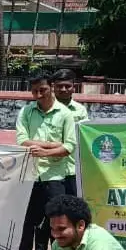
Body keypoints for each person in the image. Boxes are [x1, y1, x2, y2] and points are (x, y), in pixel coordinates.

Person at [5, 72, 76, 250]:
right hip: (31, 174)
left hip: (55, 176)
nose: (38, 95)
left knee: (58, 222)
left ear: (51, 87)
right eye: (34, 91)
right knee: (27, 220)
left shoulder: (65, 114)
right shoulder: (27, 112)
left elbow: (69, 146)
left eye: (42, 90)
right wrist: (52, 144)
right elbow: (22, 140)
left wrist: (46, 152)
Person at [50, 69, 87, 198]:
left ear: (74, 88)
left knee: (73, 208)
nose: (64, 89)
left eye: (67, 86)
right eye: (60, 86)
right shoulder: (45, 108)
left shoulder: (80, 110)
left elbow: (85, 138)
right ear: (53, 87)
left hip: (73, 168)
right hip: (50, 169)